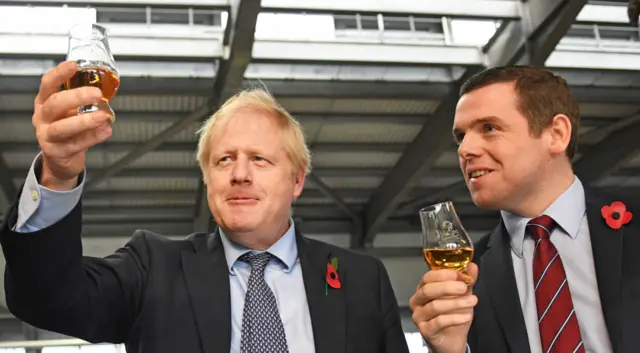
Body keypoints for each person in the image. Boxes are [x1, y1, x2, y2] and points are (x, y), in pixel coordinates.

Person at [0, 61, 410, 353]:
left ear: (297, 180)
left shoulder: (361, 279)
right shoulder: (152, 267)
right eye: (224, 160)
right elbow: (47, 299)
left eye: (260, 159)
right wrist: (58, 173)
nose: (240, 175)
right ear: (208, 178)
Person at [409, 66, 640, 353]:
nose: (464, 149)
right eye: (461, 136)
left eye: (489, 128)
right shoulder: (467, 278)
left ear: (556, 134)